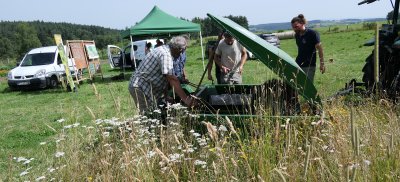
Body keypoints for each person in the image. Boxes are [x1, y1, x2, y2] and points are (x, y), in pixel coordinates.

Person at [128, 36, 194, 113]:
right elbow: (172, 79)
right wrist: (186, 99)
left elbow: (165, 77)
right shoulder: (165, 54)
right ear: (177, 48)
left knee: (153, 113)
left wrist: (166, 96)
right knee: (147, 115)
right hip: (140, 87)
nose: (181, 53)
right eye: (181, 51)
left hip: (145, 87)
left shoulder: (166, 50)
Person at [291, 14, 325, 82]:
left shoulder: (313, 33)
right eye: (293, 27)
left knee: (307, 87)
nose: (294, 29)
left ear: (302, 23)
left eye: (296, 26)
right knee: (297, 85)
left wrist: (322, 64)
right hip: (298, 64)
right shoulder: (297, 35)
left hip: (309, 65)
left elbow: (320, 49)